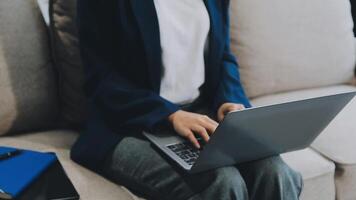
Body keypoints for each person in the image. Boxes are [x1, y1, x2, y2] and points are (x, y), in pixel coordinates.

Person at [71, 0, 303, 199]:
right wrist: (170, 115)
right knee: (221, 181)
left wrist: (228, 101)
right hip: (128, 123)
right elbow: (101, 80)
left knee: (274, 171)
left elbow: (222, 55)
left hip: (202, 114)